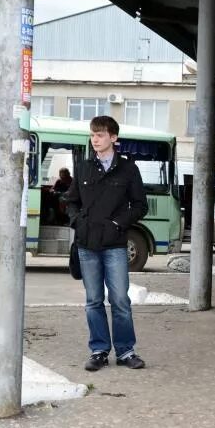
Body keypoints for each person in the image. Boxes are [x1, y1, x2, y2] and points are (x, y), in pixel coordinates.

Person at [66, 116, 148, 372]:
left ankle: (126, 351)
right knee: (93, 300)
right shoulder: (83, 167)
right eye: (92, 135)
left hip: (114, 244)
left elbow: (140, 205)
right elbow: (71, 201)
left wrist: (117, 224)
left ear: (113, 137)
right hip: (87, 243)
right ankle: (99, 350)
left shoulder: (128, 169)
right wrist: (77, 221)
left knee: (120, 299)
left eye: (100, 135)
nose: (95, 140)